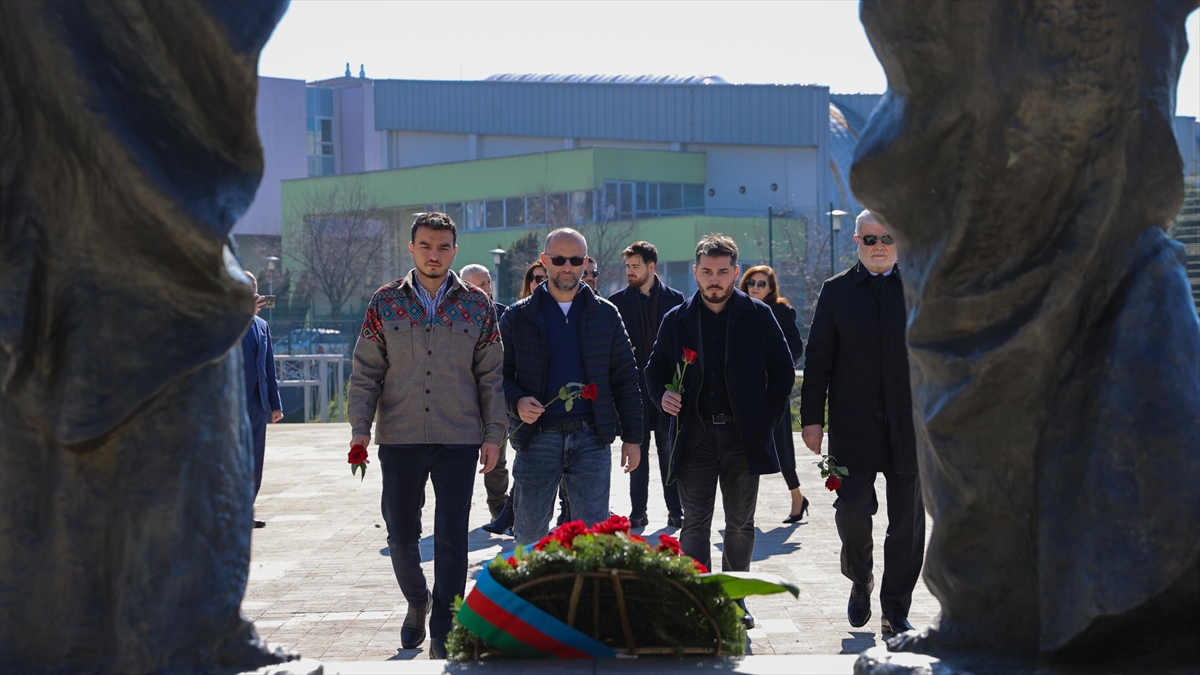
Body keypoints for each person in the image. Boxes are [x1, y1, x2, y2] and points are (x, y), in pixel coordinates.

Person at [348, 212, 504, 659]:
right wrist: (360, 430)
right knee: (401, 534)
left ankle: (443, 630)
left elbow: (491, 376)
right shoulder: (384, 302)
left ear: (454, 251)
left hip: (459, 436)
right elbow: (366, 372)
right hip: (400, 435)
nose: (434, 255)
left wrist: (494, 434)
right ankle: (418, 600)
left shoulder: (478, 304)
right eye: (425, 246)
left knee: (452, 536)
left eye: (442, 247)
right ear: (412, 248)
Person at [645, 234, 795, 630]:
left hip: (742, 438)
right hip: (693, 436)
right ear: (695, 272)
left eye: (723, 272)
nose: (715, 279)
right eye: (708, 272)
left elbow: (783, 369)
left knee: (740, 524)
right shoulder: (676, 319)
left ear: (735, 272)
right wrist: (662, 396)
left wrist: (767, 417)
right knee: (694, 522)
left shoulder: (758, 316)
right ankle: (699, 600)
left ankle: (734, 600)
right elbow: (654, 370)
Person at [799, 209, 924, 636]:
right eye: (870, 239)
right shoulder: (836, 292)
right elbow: (818, 360)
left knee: (908, 524)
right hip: (853, 428)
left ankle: (895, 608)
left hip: (910, 427)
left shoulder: (921, 288)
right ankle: (860, 578)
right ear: (857, 242)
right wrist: (812, 420)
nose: (879, 247)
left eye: (887, 238)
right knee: (852, 510)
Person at [500, 228, 643, 545]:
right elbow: (498, 375)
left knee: (592, 541)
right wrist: (517, 402)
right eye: (559, 260)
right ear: (544, 260)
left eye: (575, 260)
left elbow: (625, 378)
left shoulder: (606, 314)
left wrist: (633, 438)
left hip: (591, 439)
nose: (567, 267)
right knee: (529, 539)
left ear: (585, 262)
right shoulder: (516, 317)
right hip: (536, 439)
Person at [608, 241, 686, 528]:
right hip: (632, 392)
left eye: (635, 266)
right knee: (635, 451)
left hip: (666, 390)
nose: (629, 271)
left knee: (668, 451)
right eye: (627, 266)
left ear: (651, 267)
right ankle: (638, 511)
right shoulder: (616, 302)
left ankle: (676, 510)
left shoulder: (676, 299)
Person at [739, 265, 807, 523]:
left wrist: (772, 365)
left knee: (781, 446)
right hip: (742, 390)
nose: (755, 287)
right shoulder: (736, 309)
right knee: (741, 450)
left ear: (770, 288)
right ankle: (742, 512)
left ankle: (797, 497)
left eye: (761, 283)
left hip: (772, 390)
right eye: (751, 282)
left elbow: (795, 349)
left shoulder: (782, 311)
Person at [459, 263, 511, 524]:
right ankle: (457, 512)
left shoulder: (504, 314)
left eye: (489, 282)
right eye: (481, 284)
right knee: (460, 461)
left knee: (497, 459)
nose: (488, 288)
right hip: (463, 401)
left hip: (497, 398)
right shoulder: (454, 316)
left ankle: (498, 508)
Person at [241, 271, 284, 529]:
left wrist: (275, 404)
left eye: (254, 286)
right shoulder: (228, 322)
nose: (253, 290)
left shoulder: (262, 325)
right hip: (234, 403)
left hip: (258, 402)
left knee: (256, 457)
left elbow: (269, 366)